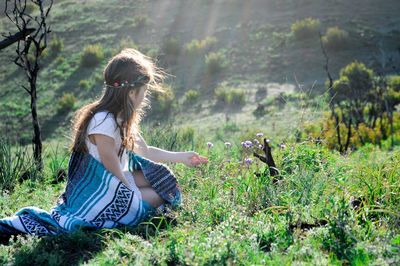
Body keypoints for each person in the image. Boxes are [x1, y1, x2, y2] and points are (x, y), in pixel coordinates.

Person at [0, 48, 208, 240]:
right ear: (131, 92)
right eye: (144, 91)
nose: (145, 97)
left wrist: (181, 157)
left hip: (112, 181)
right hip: (101, 188)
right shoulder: (103, 120)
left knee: (163, 180)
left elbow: (144, 151)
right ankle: (133, 212)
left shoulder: (120, 119)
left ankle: (142, 208)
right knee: (156, 197)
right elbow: (109, 160)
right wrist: (127, 190)